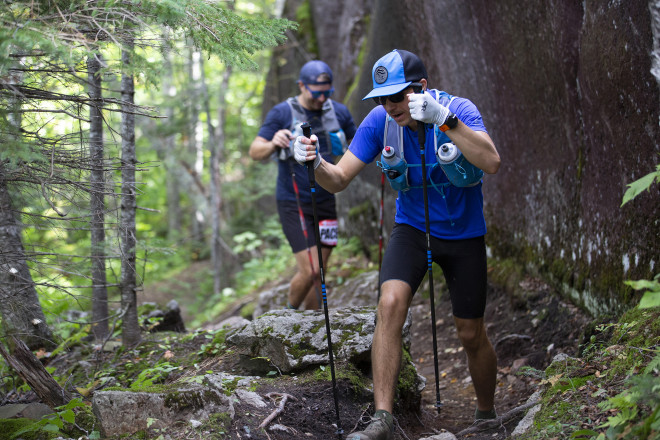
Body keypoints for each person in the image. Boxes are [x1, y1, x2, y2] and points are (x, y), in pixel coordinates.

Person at [293, 49, 501, 439]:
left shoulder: (459, 109)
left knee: (470, 333)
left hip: (464, 232)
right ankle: (382, 419)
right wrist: (314, 162)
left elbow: (491, 162)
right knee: (389, 305)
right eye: (382, 99)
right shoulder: (379, 122)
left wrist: (445, 120)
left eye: (397, 97)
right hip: (411, 229)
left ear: (421, 88)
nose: (389, 106)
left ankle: (487, 414)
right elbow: (338, 179)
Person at [249, 60, 357, 310]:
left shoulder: (339, 112)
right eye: (316, 92)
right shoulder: (282, 113)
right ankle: (286, 317)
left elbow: (360, 142)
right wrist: (274, 143)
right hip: (293, 202)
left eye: (327, 92)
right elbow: (255, 152)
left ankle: (313, 326)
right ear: (302, 86)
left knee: (320, 273)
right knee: (310, 270)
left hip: (326, 200)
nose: (322, 98)